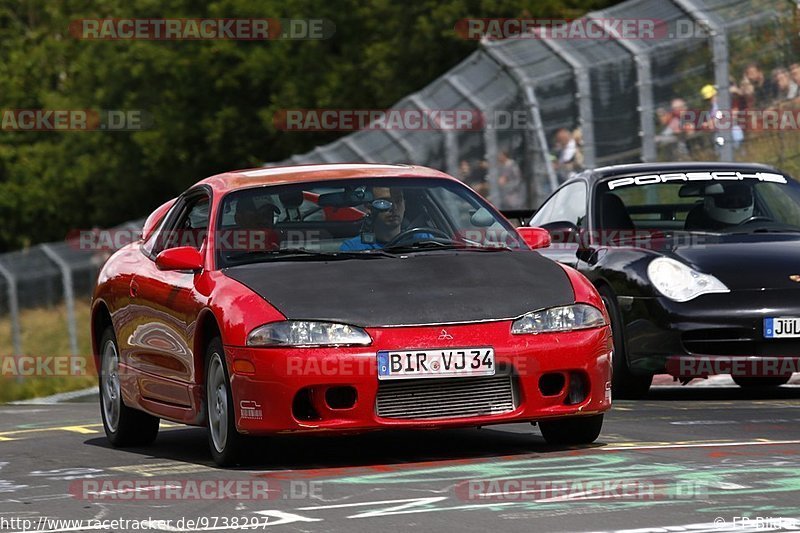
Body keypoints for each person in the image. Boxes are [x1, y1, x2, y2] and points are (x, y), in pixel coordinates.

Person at [340, 187, 407, 251]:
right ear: (368, 207)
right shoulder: (353, 248)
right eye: (383, 202)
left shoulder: (415, 241)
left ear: (405, 204)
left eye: (398, 200)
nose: (394, 208)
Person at [684, 183, 754, 231]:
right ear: (711, 202)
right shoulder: (697, 219)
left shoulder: (757, 225)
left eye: (741, 201)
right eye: (729, 201)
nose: (736, 205)